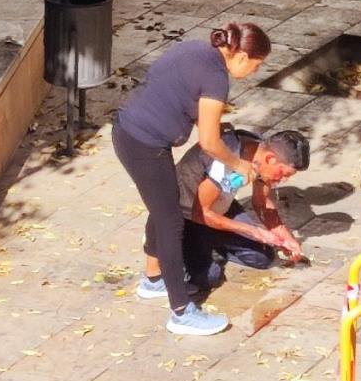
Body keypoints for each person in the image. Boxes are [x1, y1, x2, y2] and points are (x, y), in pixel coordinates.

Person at [112, 22, 271, 336]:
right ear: (240, 56)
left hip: (128, 130)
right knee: (171, 220)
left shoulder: (195, 48)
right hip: (144, 143)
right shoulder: (216, 79)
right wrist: (238, 164)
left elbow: (172, 87)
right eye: (256, 65)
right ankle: (181, 312)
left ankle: (154, 280)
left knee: (163, 205)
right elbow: (210, 142)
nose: (254, 72)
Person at [135, 128, 310, 300]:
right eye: (284, 174)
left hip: (220, 206)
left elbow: (261, 201)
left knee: (262, 257)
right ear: (271, 159)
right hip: (189, 213)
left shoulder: (259, 153)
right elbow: (201, 213)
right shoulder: (225, 162)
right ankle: (175, 244)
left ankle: (211, 241)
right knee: (209, 277)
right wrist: (252, 231)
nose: (283, 180)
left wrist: (283, 235)